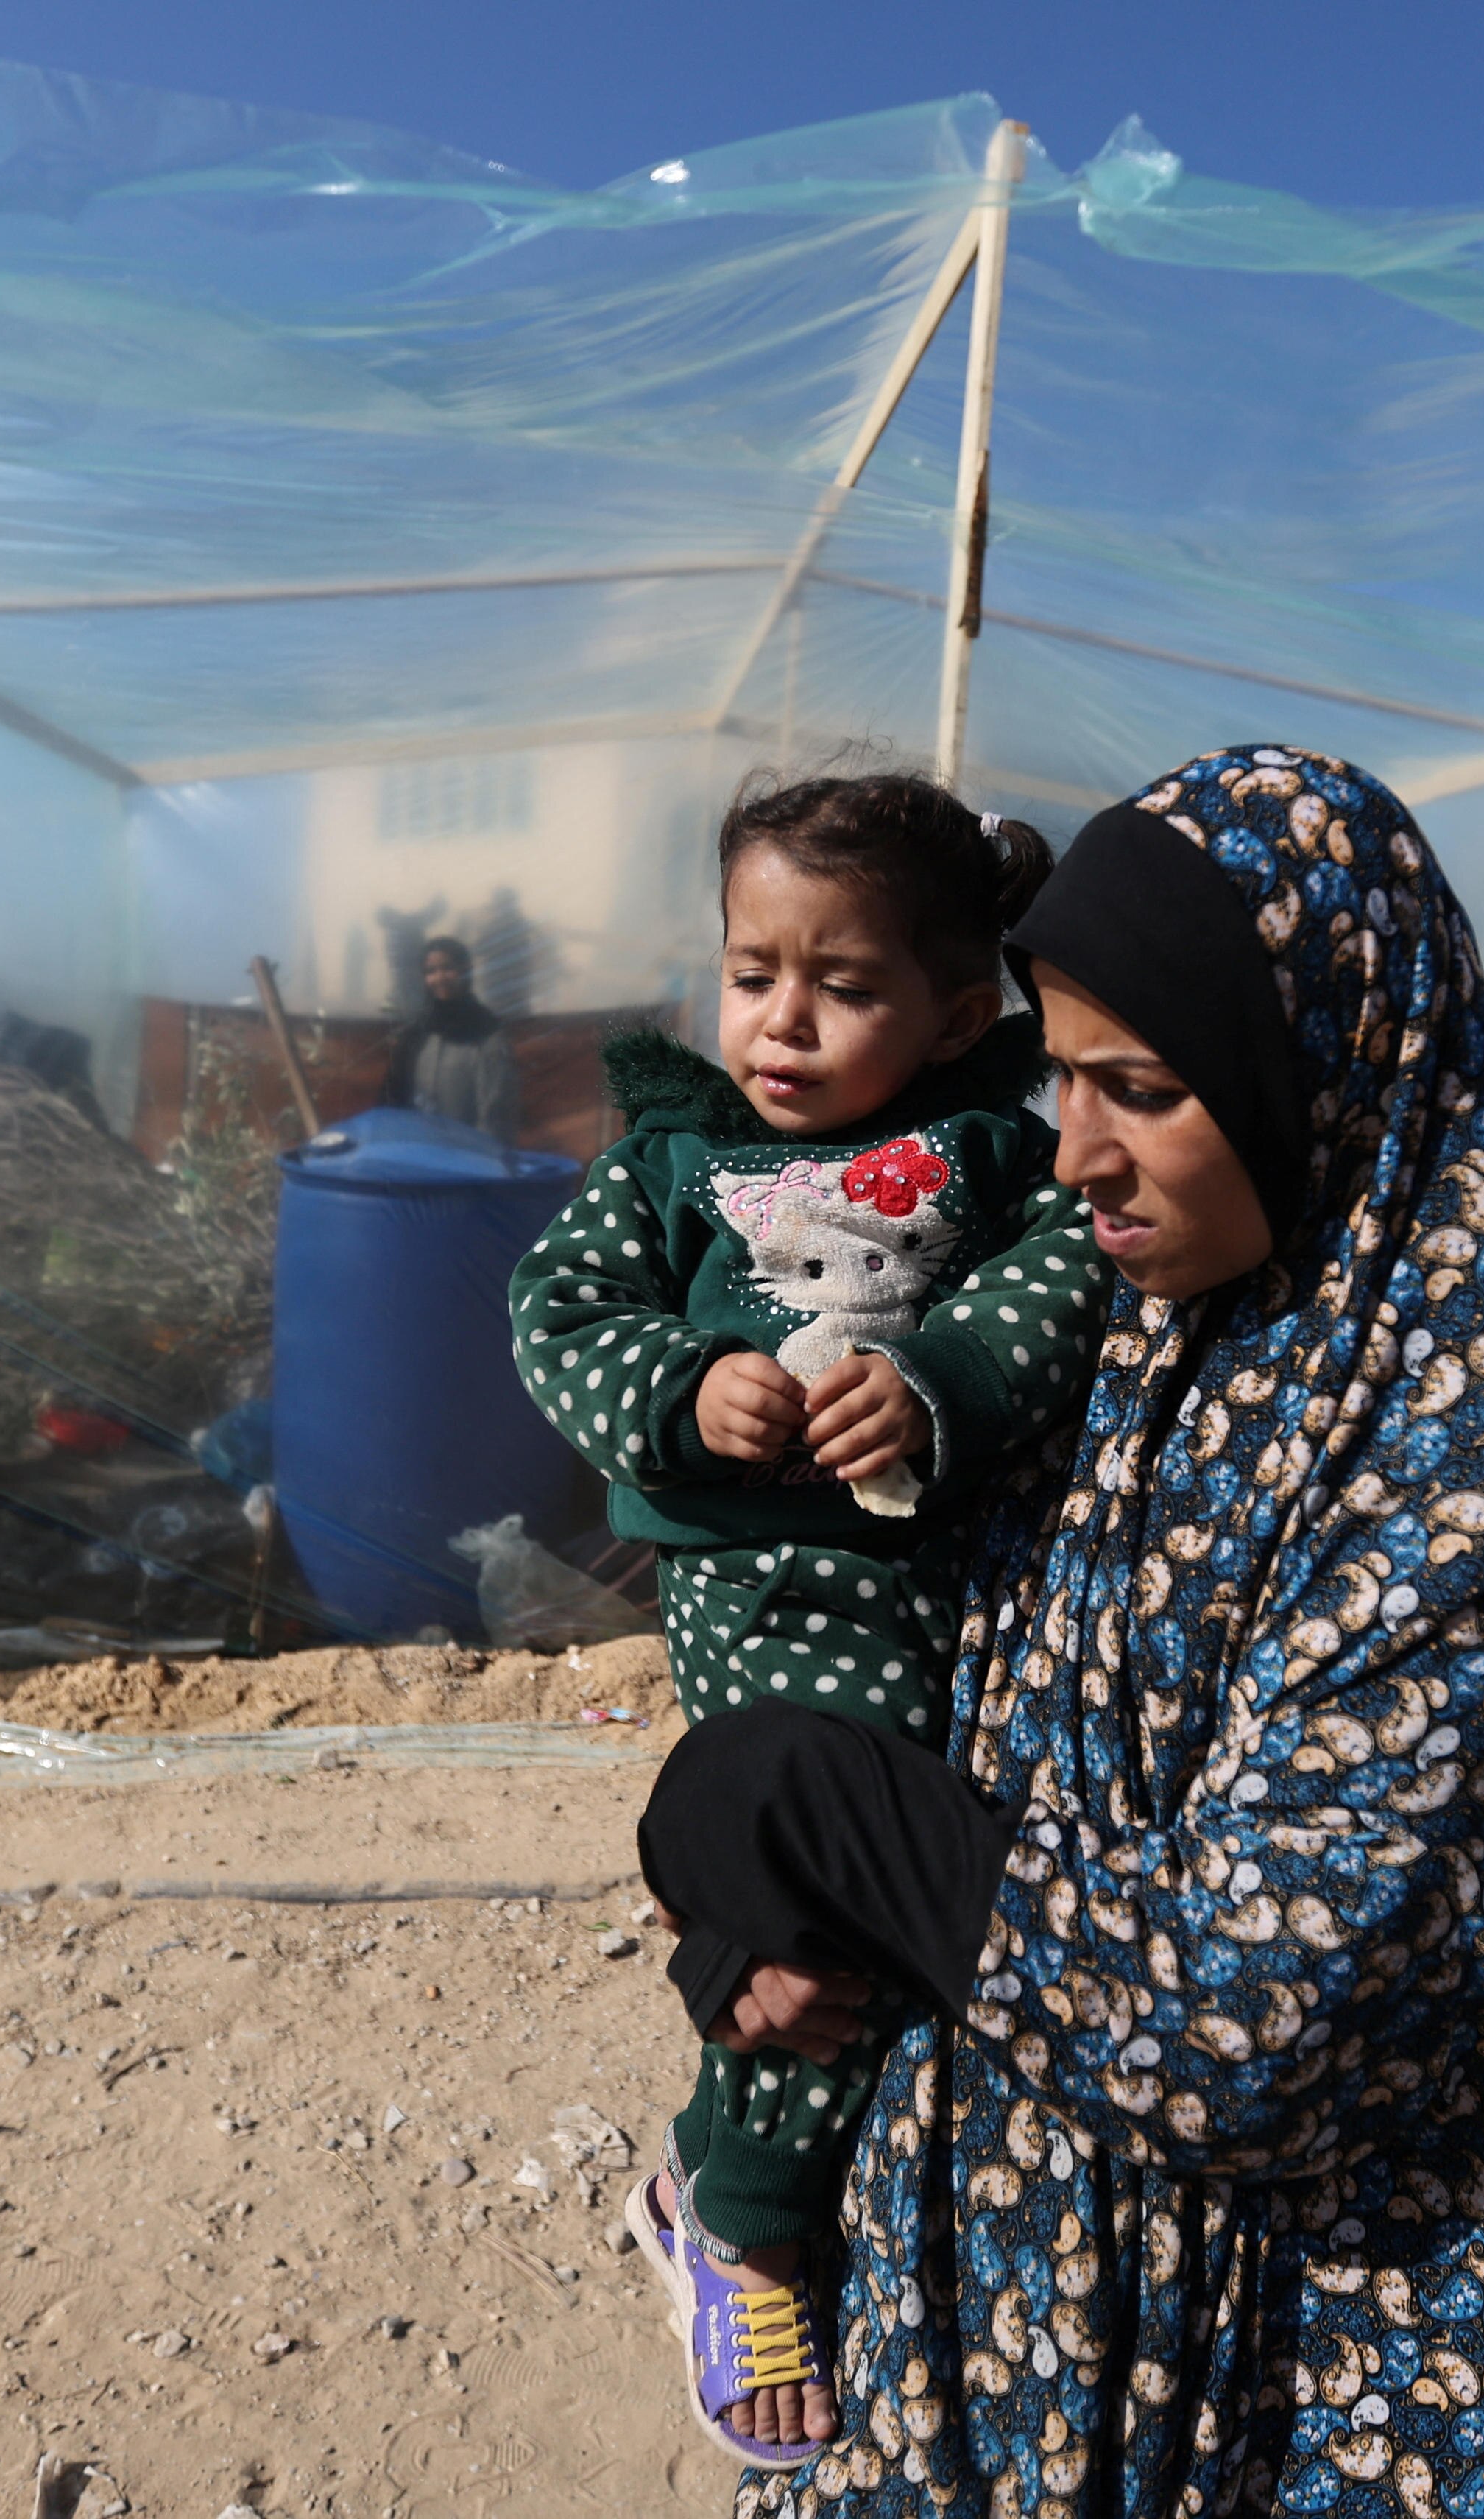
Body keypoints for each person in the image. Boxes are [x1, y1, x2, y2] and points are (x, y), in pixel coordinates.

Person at [636, 746, 1484, 2511]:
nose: (1073, 1152)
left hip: (1201, 2322)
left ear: (1315, 1068)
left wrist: (830, 1814)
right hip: (951, 2202)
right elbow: (920, 1647)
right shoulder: (1139, 1291)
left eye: (1144, 1087)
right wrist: (759, 1915)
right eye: (1062, 1075)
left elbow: (1240, 2023)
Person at [504, 772, 1095, 2466]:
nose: (781, 1018)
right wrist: (689, 1389)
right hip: (772, 1584)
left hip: (948, 1575)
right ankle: (740, 2207)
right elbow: (558, 1305)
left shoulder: (997, 1147)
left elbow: (1047, 1295)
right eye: (753, 969)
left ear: (954, 1008)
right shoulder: (677, 1151)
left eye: (842, 985)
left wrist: (932, 1379)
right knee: (822, 1873)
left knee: (941, 1878)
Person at [382, 933, 520, 1140]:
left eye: (448, 968)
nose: (440, 978)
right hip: (417, 1152)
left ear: (465, 971)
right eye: (431, 971)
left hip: (468, 1159)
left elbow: (493, 1116)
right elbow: (395, 1101)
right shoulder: (417, 1033)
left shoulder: (486, 1033)